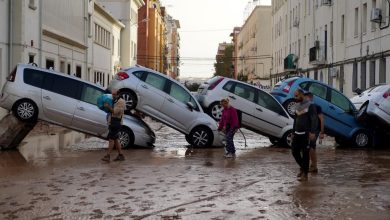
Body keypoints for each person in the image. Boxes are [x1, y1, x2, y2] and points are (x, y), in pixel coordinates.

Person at [292, 89, 318, 181]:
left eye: (296, 96)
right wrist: (293, 132)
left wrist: (312, 132)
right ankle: (303, 168)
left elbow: (314, 119)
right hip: (297, 133)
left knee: (305, 153)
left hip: (306, 133)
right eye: (294, 96)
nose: (295, 98)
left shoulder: (310, 105)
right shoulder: (297, 105)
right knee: (294, 152)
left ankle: (305, 174)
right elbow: (295, 120)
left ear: (302, 94)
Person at [101, 89, 126, 162]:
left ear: (118, 94)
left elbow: (115, 112)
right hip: (112, 122)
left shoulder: (121, 102)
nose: (113, 95)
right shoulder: (114, 100)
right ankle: (121, 155)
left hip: (116, 123)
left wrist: (108, 106)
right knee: (115, 140)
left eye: (114, 94)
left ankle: (107, 156)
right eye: (112, 94)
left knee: (111, 139)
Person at [304, 92, 325, 173]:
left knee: (311, 147)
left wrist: (322, 132)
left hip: (314, 130)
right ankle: (311, 166)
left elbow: (322, 119)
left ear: (311, 98)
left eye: (306, 98)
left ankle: (314, 166)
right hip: (307, 130)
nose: (305, 99)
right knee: (308, 148)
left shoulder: (317, 107)